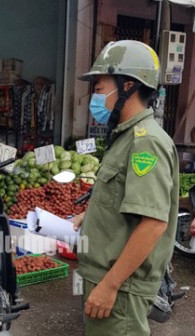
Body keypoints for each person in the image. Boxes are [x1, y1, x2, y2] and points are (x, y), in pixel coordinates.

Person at [73, 40, 179, 335]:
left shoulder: (145, 141)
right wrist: (89, 216)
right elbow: (124, 202)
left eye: (98, 87)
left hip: (121, 288)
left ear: (129, 86)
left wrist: (110, 285)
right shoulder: (126, 136)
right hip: (107, 278)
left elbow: (153, 224)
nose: (94, 95)